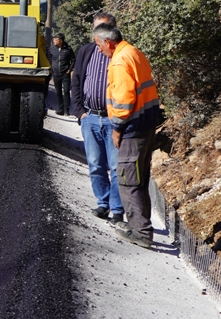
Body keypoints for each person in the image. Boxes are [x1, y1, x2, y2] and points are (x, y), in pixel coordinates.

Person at [94, 24, 163, 248]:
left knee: (128, 181)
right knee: (140, 179)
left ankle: (140, 233)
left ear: (108, 43)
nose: (99, 50)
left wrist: (117, 128)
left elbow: (123, 100)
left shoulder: (120, 61)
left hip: (132, 128)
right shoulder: (134, 53)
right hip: (146, 125)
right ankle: (143, 227)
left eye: (99, 45)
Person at [71, 13, 124, 226]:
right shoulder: (86, 51)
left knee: (116, 166)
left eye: (102, 28)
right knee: (95, 164)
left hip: (114, 120)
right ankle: (103, 203)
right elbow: (76, 81)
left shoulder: (120, 54)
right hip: (90, 117)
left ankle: (118, 209)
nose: (98, 32)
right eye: (96, 28)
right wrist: (79, 112)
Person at [51, 33, 75, 115]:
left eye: (55, 39)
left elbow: (73, 60)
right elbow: (50, 59)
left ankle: (66, 110)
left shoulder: (68, 49)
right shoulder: (52, 48)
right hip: (56, 73)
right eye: (54, 39)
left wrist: (70, 69)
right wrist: (51, 69)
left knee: (66, 91)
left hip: (65, 74)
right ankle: (60, 109)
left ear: (61, 41)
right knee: (58, 92)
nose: (54, 41)